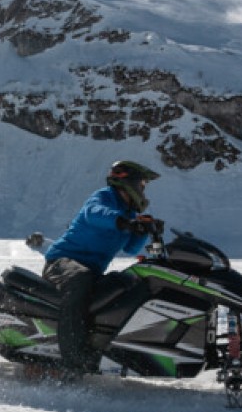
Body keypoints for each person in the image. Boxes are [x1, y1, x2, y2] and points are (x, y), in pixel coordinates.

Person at [34, 161, 162, 376]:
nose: (143, 189)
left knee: (127, 284)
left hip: (92, 271)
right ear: (128, 183)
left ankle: (107, 347)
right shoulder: (105, 197)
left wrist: (145, 230)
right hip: (62, 262)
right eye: (141, 184)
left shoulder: (129, 214)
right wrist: (123, 221)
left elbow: (131, 249)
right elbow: (94, 213)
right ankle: (73, 357)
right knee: (80, 279)